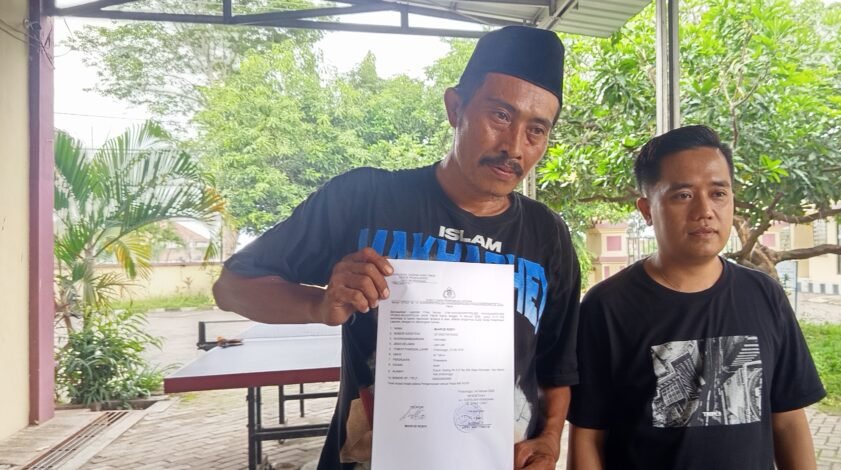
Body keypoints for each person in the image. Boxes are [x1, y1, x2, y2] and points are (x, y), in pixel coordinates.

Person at [213, 26, 580, 470]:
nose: (514, 147)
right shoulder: (364, 199)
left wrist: (550, 439)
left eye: (536, 130)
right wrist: (319, 304)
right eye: (500, 115)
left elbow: (556, 366)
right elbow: (230, 287)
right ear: (455, 107)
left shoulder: (548, 234)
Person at [566, 125, 825, 470]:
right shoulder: (607, 306)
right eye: (683, 195)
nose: (705, 210)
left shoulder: (764, 295)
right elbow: (588, 436)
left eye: (718, 193)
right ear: (646, 209)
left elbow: (788, 419)